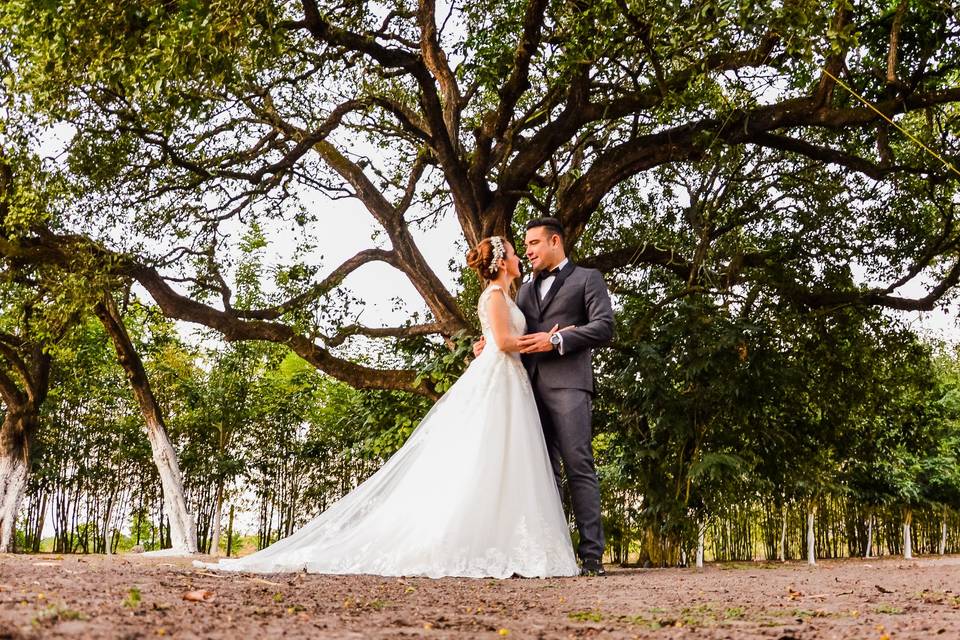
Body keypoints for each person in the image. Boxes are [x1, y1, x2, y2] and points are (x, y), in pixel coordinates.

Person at [196, 236, 578, 578]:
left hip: (510, 381)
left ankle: (504, 536)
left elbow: (495, 339)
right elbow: (504, 341)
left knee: (506, 459)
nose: (518, 256)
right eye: (513, 252)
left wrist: (496, 342)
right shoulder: (494, 297)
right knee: (484, 455)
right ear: (500, 261)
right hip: (500, 378)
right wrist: (544, 339)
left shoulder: (509, 296)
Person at [474, 218, 614, 576]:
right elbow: (510, 333)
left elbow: (603, 326)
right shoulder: (520, 291)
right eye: (525, 246)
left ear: (555, 241)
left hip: (569, 385)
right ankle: (552, 555)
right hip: (525, 391)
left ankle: (592, 557)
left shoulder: (587, 278)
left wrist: (558, 340)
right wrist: (488, 344)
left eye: (534, 243)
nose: (529, 251)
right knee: (539, 472)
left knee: (578, 465)